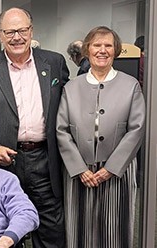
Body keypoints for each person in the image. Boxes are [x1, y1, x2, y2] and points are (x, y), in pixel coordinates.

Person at [0, 7, 69, 248]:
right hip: (3, 163)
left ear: (31, 31)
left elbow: (69, 108)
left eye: (22, 30)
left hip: (45, 160)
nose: (16, 37)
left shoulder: (54, 62)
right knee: (2, 230)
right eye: (10, 32)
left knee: (51, 229)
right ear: (0, 35)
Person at [56, 26, 145, 248]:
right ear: (87, 49)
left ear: (115, 50)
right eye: (97, 45)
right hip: (79, 171)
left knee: (115, 231)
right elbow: (61, 130)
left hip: (117, 171)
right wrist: (79, 169)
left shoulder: (130, 85)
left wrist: (111, 168)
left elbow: (137, 129)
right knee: (79, 232)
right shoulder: (71, 87)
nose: (102, 50)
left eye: (108, 45)